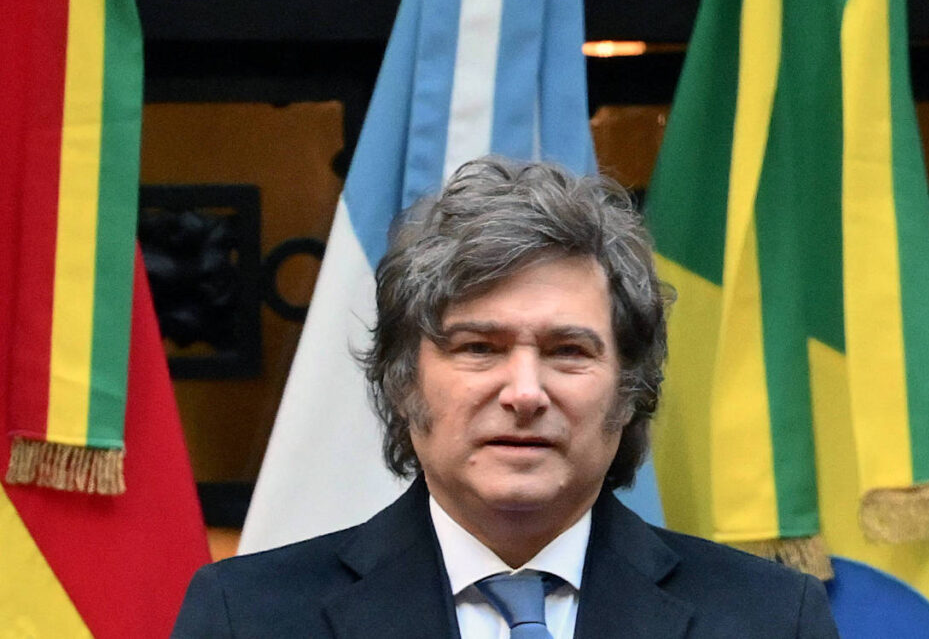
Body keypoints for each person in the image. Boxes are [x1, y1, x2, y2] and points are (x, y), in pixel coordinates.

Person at [173, 158, 839, 638]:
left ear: (630, 391)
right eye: (479, 348)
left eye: (568, 350)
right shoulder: (247, 617)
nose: (524, 393)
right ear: (403, 382)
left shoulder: (771, 619)